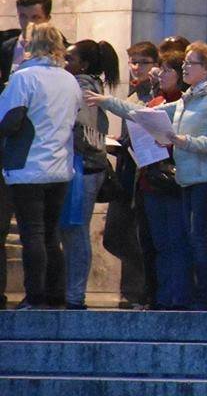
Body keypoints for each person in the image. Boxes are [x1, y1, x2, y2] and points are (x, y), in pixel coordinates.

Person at [89, 42, 207, 311]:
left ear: (206, 69)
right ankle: (192, 298)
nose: (185, 68)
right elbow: (144, 113)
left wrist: (185, 141)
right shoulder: (190, 98)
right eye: (185, 63)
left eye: (190, 63)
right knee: (191, 239)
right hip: (189, 177)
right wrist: (105, 101)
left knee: (201, 239)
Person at [0, 22, 82, 309]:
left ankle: (35, 296)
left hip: (28, 166)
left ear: (31, 45)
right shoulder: (69, 80)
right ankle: (55, 294)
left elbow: (10, 120)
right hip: (60, 166)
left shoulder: (25, 78)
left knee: (31, 233)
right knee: (50, 234)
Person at [0, 0, 55, 307]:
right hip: (7, 144)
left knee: (39, 231)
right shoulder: (8, 47)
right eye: (22, 17)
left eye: (34, 17)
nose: (27, 24)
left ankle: (45, 295)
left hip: (38, 151)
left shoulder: (58, 50)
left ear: (46, 16)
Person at [61, 39, 121, 310]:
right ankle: (70, 292)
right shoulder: (84, 85)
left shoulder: (83, 87)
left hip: (84, 166)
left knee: (76, 230)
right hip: (83, 165)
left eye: (70, 59)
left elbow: (84, 130)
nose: (65, 63)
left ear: (83, 64)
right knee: (73, 230)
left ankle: (74, 295)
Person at [103, 40, 158, 309]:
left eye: (143, 62)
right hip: (126, 170)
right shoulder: (133, 95)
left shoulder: (154, 95)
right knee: (113, 235)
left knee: (136, 234)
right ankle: (137, 287)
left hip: (145, 172)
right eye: (133, 62)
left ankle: (140, 290)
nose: (136, 67)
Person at [138, 51, 192, 310]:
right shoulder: (154, 102)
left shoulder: (185, 103)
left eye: (167, 70)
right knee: (159, 244)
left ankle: (178, 298)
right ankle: (161, 298)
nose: (160, 74)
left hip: (175, 179)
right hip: (151, 179)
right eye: (160, 69)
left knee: (178, 242)